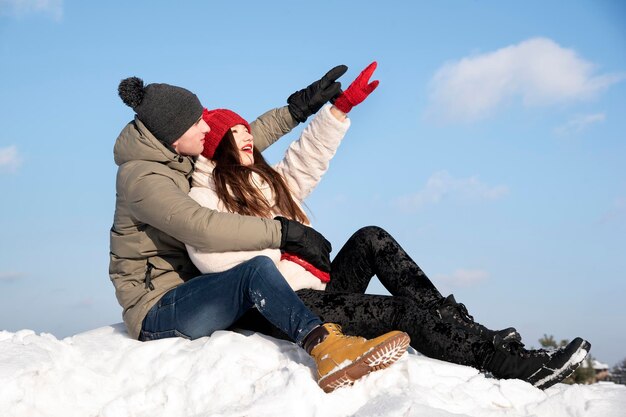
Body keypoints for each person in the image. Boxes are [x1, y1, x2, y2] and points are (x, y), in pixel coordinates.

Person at [187, 62, 592, 390]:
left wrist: (338, 111)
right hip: (288, 306)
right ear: (214, 145)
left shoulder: (260, 182)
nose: (246, 138)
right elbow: (218, 262)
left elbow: (304, 161)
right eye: (233, 132)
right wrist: (285, 245)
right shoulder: (202, 198)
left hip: (319, 290)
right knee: (402, 312)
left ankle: (467, 329)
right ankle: (505, 364)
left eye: (245, 130)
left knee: (371, 237)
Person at [109, 70, 412, 393]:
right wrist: (282, 232)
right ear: (174, 132)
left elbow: (234, 143)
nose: (206, 127)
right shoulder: (143, 178)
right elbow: (201, 227)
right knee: (255, 270)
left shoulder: (175, 155)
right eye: (197, 123)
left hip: (196, 290)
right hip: (159, 308)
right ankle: (327, 350)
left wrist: (297, 110)